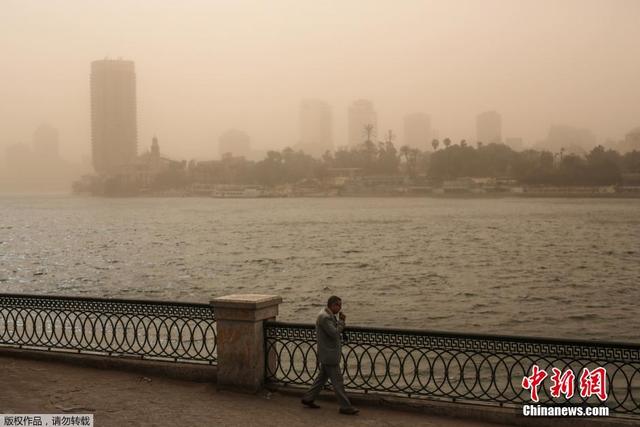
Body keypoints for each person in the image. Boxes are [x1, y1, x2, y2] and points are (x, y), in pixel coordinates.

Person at [301, 295, 359, 415]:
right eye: (339, 305)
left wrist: (339, 321)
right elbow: (334, 333)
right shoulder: (325, 317)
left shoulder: (326, 315)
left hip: (327, 354)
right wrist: (342, 322)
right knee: (338, 383)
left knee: (321, 379)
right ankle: (345, 406)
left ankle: (308, 398)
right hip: (330, 355)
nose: (340, 308)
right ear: (332, 305)